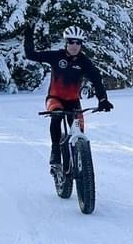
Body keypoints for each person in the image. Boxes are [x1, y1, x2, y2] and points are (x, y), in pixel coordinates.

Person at [24, 24, 113, 167]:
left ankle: (80, 163)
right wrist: (28, 35)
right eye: (71, 42)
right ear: (66, 42)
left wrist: (103, 100)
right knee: (57, 115)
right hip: (55, 98)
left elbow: (97, 80)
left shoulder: (84, 62)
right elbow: (31, 55)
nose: (75, 46)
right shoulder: (56, 56)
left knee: (79, 131)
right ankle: (55, 150)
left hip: (73, 102)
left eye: (78, 43)